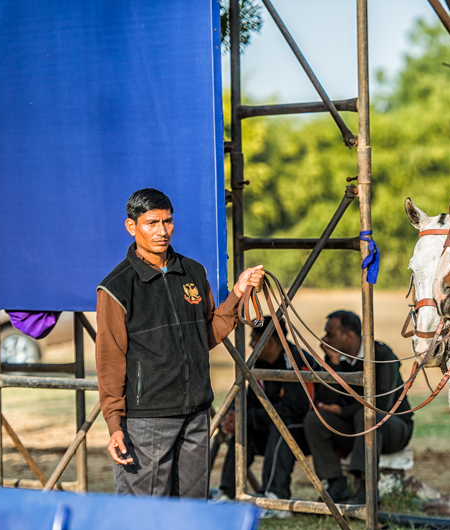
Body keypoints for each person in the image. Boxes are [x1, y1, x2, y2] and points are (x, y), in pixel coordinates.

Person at [96, 187, 264, 498]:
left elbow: (204, 337)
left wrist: (238, 293)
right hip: (147, 419)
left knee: (191, 508)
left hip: (196, 415)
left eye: (168, 222)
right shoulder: (116, 288)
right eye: (152, 223)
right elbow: (110, 361)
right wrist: (114, 425)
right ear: (131, 227)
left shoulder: (193, 272)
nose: (162, 231)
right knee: (147, 513)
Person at [303, 310, 413, 504]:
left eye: (330, 334)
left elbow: (382, 404)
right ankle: (336, 484)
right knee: (315, 420)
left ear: (349, 336)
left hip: (390, 427)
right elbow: (324, 400)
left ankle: (366, 489)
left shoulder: (380, 354)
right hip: (356, 427)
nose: (324, 339)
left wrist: (342, 411)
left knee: (367, 415)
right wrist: (334, 363)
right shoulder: (336, 359)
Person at [217, 316, 317, 501]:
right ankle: (228, 493)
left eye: (254, 339)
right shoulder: (260, 364)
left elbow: (294, 410)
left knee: (282, 427)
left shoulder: (296, 362)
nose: (250, 345)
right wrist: (234, 417)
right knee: (243, 429)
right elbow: (249, 400)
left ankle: (274, 496)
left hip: (305, 431)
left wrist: (246, 416)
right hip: (270, 426)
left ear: (269, 341)